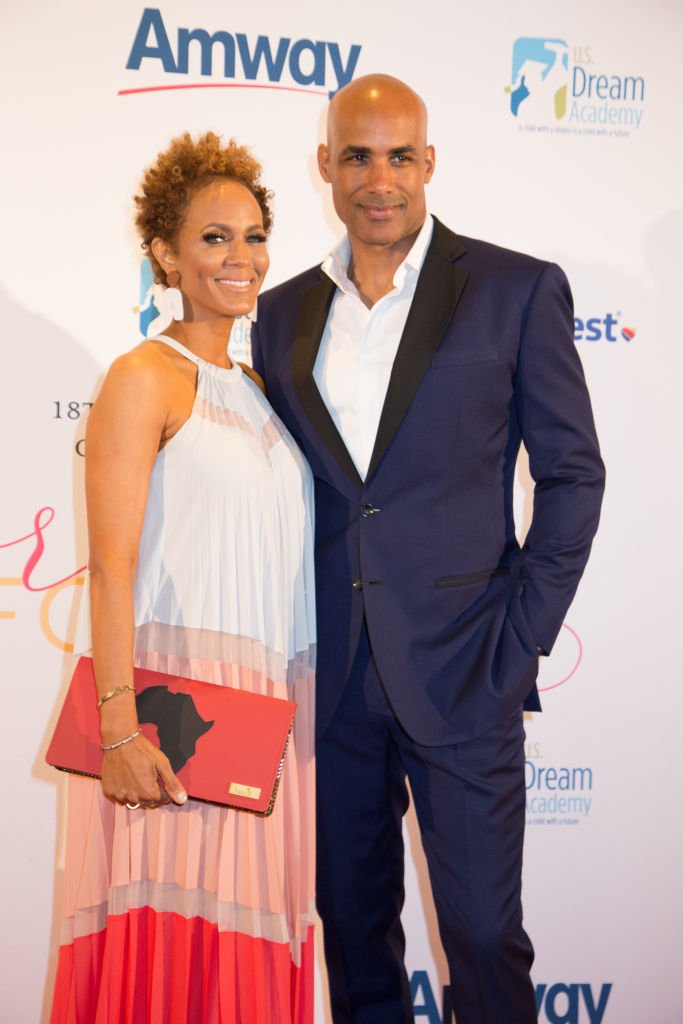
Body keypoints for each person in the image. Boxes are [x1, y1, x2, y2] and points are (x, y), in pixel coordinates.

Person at [251, 75, 605, 1024]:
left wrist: (518, 637)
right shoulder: (280, 313)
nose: (379, 179)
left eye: (399, 156)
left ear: (429, 163)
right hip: (330, 682)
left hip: (464, 669)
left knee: (485, 938)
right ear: (325, 164)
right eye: (357, 155)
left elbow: (573, 477)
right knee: (355, 929)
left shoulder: (513, 289)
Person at [50, 132, 316, 1024]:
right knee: (171, 956)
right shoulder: (143, 378)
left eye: (252, 235)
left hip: (267, 719)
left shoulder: (259, 385)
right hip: (177, 727)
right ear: (163, 251)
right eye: (213, 237)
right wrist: (119, 730)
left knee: (246, 947)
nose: (240, 258)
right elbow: (112, 571)